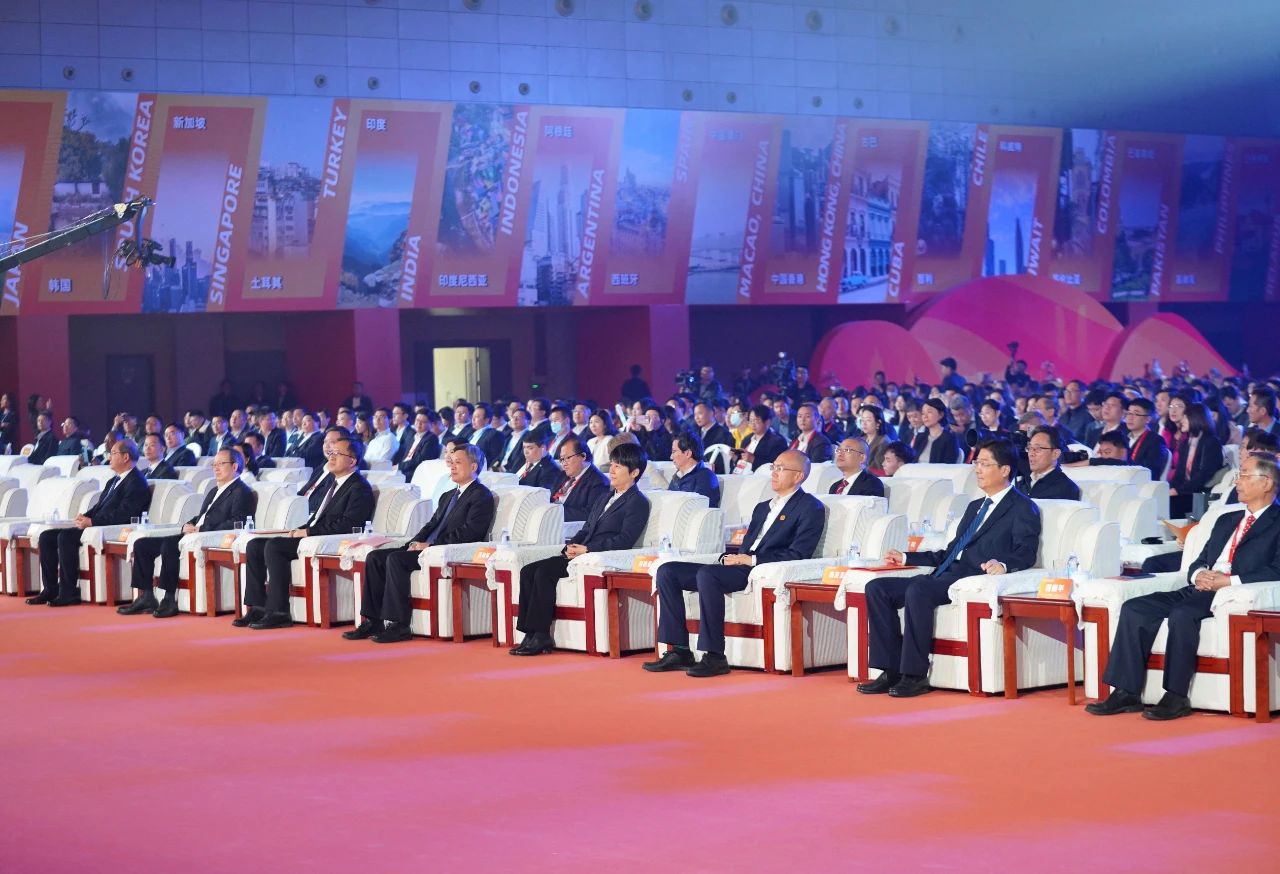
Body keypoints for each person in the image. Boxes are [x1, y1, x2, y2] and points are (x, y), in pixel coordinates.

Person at [1089, 451, 1280, 720]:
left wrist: (1228, 581)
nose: (1237, 481)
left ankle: (1175, 696)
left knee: (1182, 615)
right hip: (1199, 588)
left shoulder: (1276, 522)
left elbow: (1276, 569)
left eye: (1245, 475)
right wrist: (1199, 574)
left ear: (1267, 482)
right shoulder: (1226, 520)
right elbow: (1199, 560)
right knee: (1135, 608)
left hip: (1231, 593)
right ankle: (1125, 692)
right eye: (1238, 475)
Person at [858, 439, 1041, 697]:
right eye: (977, 463)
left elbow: (1026, 551)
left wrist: (1003, 564)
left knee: (919, 589)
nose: (978, 469)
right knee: (877, 588)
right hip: (946, 574)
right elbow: (950, 552)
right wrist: (906, 557)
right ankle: (890, 670)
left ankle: (915, 675)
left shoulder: (1022, 507)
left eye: (985, 464)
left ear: (1004, 470)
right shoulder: (975, 506)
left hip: (972, 578)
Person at [646, 449, 824, 677]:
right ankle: (679, 650)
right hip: (739, 565)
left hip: (761, 569)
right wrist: (730, 558)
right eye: (773, 467)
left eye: (780, 469)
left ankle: (715, 656)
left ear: (798, 476)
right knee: (668, 571)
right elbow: (745, 546)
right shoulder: (763, 507)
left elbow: (799, 553)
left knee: (708, 575)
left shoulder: (810, 507)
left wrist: (752, 559)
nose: (774, 473)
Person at [346, 445, 496, 644]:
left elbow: (469, 532)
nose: (452, 467)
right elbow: (431, 525)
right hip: (426, 548)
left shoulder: (481, 496)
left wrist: (430, 546)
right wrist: (414, 542)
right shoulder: (448, 495)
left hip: (443, 551)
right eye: (451, 462)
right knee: (375, 557)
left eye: (458, 463)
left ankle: (399, 625)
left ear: (474, 466)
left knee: (396, 560)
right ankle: (372, 621)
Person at [511, 443, 651, 656]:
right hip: (580, 553)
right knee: (528, 570)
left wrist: (587, 549)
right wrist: (571, 546)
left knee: (543, 573)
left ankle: (541, 635)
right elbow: (586, 528)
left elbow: (624, 540)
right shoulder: (605, 496)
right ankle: (528, 633)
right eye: (611, 465)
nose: (611, 470)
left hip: (597, 557)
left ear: (634, 472)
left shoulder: (637, 502)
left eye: (618, 466)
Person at [236, 436, 375, 630]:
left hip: (328, 540)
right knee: (255, 545)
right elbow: (318, 518)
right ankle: (257, 607)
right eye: (331, 452)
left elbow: (348, 525)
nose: (331, 457)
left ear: (352, 461)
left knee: (274, 547)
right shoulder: (333, 484)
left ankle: (278, 612)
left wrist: (308, 532)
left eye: (337, 453)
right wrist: (301, 529)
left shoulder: (359, 488)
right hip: (314, 534)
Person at [120, 448, 255, 618]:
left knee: (169, 545)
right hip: (193, 533)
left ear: (235, 466)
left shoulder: (241, 492)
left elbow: (237, 522)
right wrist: (188, 524)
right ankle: (146, 596)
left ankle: (169, 599)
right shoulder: (214, 490)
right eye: (214, 464)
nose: (215, 468)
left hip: (207, 537)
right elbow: (202, 516)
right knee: (142, 544)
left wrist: (202, 529)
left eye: (221, 464)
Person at [28, 438, 151, 607]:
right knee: (46, 537)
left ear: (126, 457)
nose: (109, 457)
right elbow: (99, 507)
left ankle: (69, 592)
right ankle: (50, 589)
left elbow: (124, 514)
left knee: (65, 537)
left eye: (113, 453)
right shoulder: (114, 480)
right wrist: (84, 516)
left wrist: (92, 521)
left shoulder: (136, 482)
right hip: (97, 524)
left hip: (110, 528)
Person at [1169, 402, 1225, 518]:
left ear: (1196, 419)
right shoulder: (1185, 443)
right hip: (1188, 491)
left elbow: (1204, 474)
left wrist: (1179, 491)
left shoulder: (1211, 442)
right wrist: (1171, 489)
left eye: (1185, 417)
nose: (1182, 421)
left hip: (1203, 493)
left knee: (1175, 503)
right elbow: (1179, 473)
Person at [550, 434, 609, 523]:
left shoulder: (599, 482)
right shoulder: (562, 475)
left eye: (567, 458)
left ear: (583, 456)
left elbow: (590, 514)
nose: (564, 464)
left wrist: (555, 511)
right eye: (562, 459)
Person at [1015, 426, 1082, 500]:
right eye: (1030, 448)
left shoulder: (1067, 489)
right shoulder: (1021, 484)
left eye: (1038, 449)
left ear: (1055, 454)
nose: (1031, 454)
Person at [1120, 397, 1171, 481]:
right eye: (1129, 413)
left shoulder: (1155, 441)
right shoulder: (1123, 437)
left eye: (1136, 414)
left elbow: (1151, 471)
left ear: (1148, 419)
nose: (1130, 417)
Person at [668, 432, 720, 508]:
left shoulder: (706, 477)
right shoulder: (677, 476)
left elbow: (699, 507)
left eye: (674, 452)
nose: (671, 457)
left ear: (688, 454)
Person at [732, 404, 788, 473]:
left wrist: (753, 460)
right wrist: (736, 458)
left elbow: (778, 468)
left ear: (767, 422)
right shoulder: (747, 439)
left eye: (756, 420)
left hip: (759, 478)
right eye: (751, 421)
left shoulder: (777, 442)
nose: (753, 424)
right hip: (740, 475)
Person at [912, 398, 963, 464]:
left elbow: (949, 465)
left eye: (929, 412)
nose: (925, 416)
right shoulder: (920, 437)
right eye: (923, 413)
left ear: (941, 414)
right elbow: (912, 461)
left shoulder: (949, 439)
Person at [397, 411, 441, 480]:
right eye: (417, 420)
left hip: (415, 473)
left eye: (423, 422)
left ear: (430, 424)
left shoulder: (431, 438)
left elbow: (419, 460)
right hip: (403, 470)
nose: (419, 424)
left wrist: (399, 467)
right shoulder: (413, 436)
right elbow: (405, 456)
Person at [467, 402, 506, 468]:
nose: (473, 419)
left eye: (477, 417)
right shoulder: (471, 433)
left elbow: (495, 457)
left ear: (486, 420)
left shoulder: (494, 434)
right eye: (473, 416)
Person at [497, 407, 530, 472]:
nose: (515, 419)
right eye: (513, 417)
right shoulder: (509, 436)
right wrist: (493, 467)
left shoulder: (529, 437)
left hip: (513, 472)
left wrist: (502, 469)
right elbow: (500, 456)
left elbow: (521, 459)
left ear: (528, 421)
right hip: (500, 471)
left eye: (519, 417)